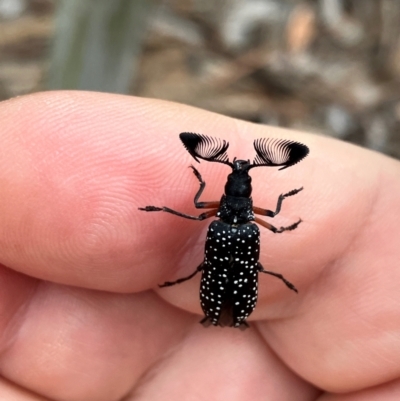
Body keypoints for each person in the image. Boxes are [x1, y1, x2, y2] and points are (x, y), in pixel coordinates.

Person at [0, 91, 399, 400]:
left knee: (222, 271)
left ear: (231, 192)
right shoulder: (254, 225)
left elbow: (196, 208)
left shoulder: (222, 221)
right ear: (245, 193)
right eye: (238, 179)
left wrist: (184, 189)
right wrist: (282, 204)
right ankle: (227, 310)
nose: (239, 179)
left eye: (238, 180)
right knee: (235, 272)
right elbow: (269, 223)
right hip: (238, 258)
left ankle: (224, 308)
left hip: (227, 258)